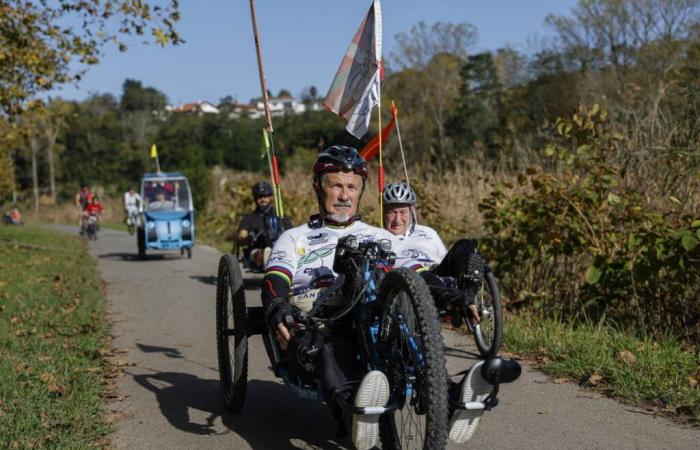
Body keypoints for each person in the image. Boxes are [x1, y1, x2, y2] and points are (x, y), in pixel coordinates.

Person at [262, 146, 394, 450]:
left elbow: (414, 281)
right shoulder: (295, 237)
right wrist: (279, 306)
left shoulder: (381, 237)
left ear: (361, 191)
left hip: (374, 320)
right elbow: (275, 280)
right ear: (318, 188)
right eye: (336, 185)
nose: (344, 195)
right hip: (317, 324)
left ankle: (449, 394)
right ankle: (351, 408)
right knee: (324, 348)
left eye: (352, 187)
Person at [382, 181, 482, 325]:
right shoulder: (380, 237)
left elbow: (444, 258)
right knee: (414, 266)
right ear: (384, 212)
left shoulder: (427, 232)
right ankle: (451, 299)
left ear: (411, 211)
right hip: (411, 282)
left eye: (402, 212)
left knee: (466, 245)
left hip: (437, 271)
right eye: (392, 212)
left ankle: (468, 294)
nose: (397, 219)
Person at [236, 181, 291, 269]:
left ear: (270, 197)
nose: (263, 199)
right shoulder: (249, 217)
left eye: (265, 196)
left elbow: (292, 234)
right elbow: (241, 237)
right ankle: (268, 259)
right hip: (257, 250)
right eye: (259, 197)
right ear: (255, 198)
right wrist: (249, 238)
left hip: (280, 249)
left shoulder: (280, 217)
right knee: (263, 252)